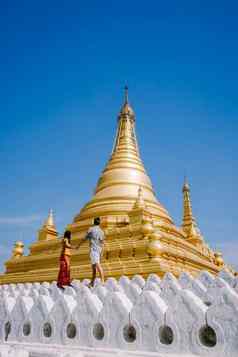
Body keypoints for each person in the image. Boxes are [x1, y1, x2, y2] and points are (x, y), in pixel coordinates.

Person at [77, 217, 105, 287]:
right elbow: (102, 242)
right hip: (99, 249)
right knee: (93, 267)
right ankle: (92, 283)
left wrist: (78, 245)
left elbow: (84, 238)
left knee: (97, 265)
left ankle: (102, 281)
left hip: (93, 249)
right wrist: (102, 251)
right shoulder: (101, 231)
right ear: (99, 223)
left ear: (93, 222)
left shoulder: (91, 229)